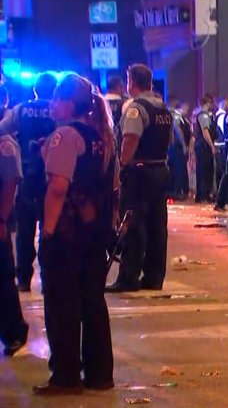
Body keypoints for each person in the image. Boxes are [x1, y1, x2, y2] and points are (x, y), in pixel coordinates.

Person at [35, 74, 114, 395]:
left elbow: (57, 188)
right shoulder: (102, 137)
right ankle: (100, 373)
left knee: (62, 304)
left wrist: (47, 233)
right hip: (94, 232)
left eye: (57, 99)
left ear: (69, 104)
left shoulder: (65, 136)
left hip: (67, 233)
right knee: (93, 303)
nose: (52, 105)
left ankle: (66, 375)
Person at [108, 64, 172, 293]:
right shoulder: (162, 108)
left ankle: (128, 277)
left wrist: (123, 165)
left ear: (132, 82)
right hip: (160, 169)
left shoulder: (136, 108)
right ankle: (154, 276)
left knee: (133, 224)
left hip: (139, 171)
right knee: (157, 225)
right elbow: (169, 140)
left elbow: (130, 138)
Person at [0, 73, 57, 292]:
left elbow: (2, 129)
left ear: (35, 89)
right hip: (51, 175)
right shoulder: (58, 110)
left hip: (25, 173)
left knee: (25, 229)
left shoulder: (21, 109)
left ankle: (23, 279)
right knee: (49, 227)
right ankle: (49, 276)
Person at [0, 129, 28, 357]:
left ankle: (14, 332)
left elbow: (10, 183)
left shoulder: (5, 145)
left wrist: (2, 218)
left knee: (3, 277)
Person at [193, 94, 218, 203]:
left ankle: (202, 195)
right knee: (205, 171)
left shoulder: (200, 114)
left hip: (201, 146)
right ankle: (204, 195)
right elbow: (205, 132)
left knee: (203, 170)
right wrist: (212, 146)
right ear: (207, 103)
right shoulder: (204, 116)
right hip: (204, 146)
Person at [103, 76, 127, 145]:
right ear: (119, 87)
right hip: (119, 142)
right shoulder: (125, 104)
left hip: (102, 142)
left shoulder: (99, 103)